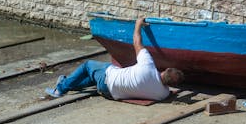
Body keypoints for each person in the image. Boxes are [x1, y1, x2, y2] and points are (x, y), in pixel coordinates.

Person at [45, 17, 184, 101]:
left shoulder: (147, 66)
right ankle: (66, 82)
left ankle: (60, 89)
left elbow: (137, 42)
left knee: (88, 66)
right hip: (110, 93)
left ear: (166, 70)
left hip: (107, 80)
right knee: (94, 77)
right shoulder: (163, 94)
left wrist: (138, 25)